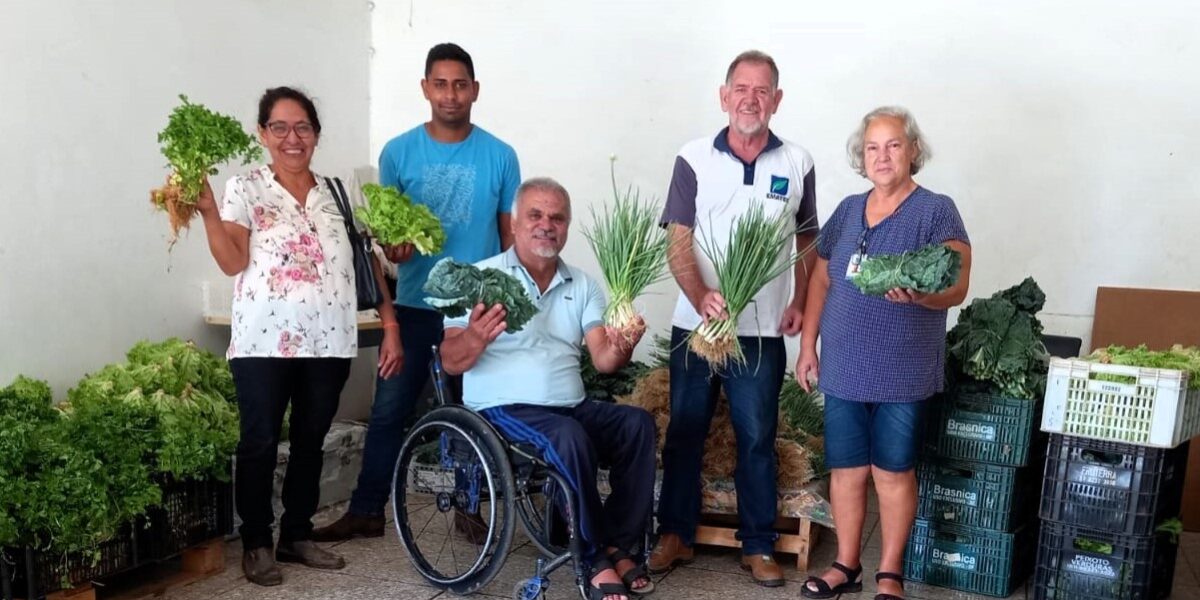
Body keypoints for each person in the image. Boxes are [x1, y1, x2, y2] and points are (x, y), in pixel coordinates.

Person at [194, 86, 403, 586]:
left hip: (329, 339)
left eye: (303, 127)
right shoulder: (245, 188)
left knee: (312, 440)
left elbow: (371, 263)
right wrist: (205, 212)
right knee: (260, 441)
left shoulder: (338, 193)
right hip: (264, 341)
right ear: (263, 133)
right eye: (281, 127)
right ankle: (257, 544)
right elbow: (233, 262)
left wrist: (391, 325)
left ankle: (297, 533)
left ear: (316, 135)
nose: (293, 137)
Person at [314, 42, 521, 541]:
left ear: (475, 90)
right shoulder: (398, 153)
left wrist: (508, 302)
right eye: (441, 84)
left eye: (460, 84)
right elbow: (391, 234)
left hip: (472, 308)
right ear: (425, 88)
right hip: (412, 306)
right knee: (389, 410)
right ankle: (367, 510)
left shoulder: (500, 155)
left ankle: (471, 507)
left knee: (475, 411)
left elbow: (509, 237)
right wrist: (395, 250)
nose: (451, 95)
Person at [441, 178, 657, 600]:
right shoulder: (477, 278)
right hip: (501, 410)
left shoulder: (583, 285)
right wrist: (476, 338)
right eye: (536, 215)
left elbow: (603, 361)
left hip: (567, 406)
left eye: (557, 217)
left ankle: (619, 544)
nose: (546, 225)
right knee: (567, 436)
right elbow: (450, 359)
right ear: (516, 223)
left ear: (567, 227)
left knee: (637, 425)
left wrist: (623, 346)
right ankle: (593, 556)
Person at [650, 50, 819, 588]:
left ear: (777, 100)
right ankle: (674, 533)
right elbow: (679, 239)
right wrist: (700, 295)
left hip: (764, 331)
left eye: (762, 90)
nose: (751, 99)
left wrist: (798, 301)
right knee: (686, 429)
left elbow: (808, 239)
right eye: (741, 89)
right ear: (724, 97)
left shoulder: (797, 162)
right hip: (696, 326)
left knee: (756, 436)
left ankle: (758, 544)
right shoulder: (693, 156)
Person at [795, 107, 972, 600]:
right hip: (845, 363)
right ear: (861, 156)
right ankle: (846, 564)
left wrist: (921, 296)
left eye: (893, 145)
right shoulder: (849, 209)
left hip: (903, 367)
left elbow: (957, 284)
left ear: (913, 150)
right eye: (873, 147)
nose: (882, 156)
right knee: (847, 469)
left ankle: (889, 573)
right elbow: (822, 280)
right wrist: (808, 346)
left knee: (892, 470)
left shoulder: (936, 210)